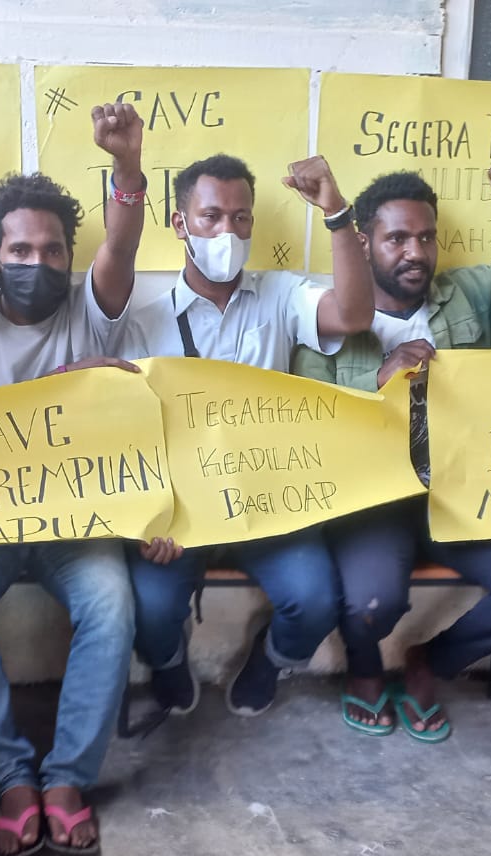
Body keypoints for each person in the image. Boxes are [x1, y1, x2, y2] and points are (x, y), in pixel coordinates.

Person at [294, 151, 491, 741]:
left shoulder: (471, 295)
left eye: (426, 238)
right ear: (363, 243)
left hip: (460, 490)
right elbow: (310, 428)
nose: (416, 252)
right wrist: (379, 386)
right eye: (397, 238)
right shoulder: (325, 318)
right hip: (370, 500)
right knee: (371, 601)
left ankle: (431, 662)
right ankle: (364, 668)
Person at [0, 103, 148, 856]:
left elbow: (122, 245)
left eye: (53, 250)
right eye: (20, 249)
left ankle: (68, 779)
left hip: (76, 522)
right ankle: (9, 780)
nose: (37, 262)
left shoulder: (91, 308)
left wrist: (126, 167)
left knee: (111, 604)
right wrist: (72, 380)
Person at [120, 152, 374, 718]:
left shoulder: (281, 295)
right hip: (180, 509)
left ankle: (272, 659)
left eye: (241, 218)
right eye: (211, 217)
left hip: (267, 499)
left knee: (314, 600)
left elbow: (355, 315)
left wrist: (336, 213)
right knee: (148, 607)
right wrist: (149, 518)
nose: (227, 232)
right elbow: (129, 435)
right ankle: (167, 660)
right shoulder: (144, 323)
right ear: (180, 223)